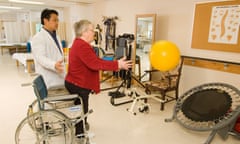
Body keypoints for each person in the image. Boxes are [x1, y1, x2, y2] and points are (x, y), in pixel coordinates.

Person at [65, 20, 132, 139]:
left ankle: (80, 126)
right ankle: (79, 134)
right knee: (81, 108)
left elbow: (96, 61)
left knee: (81, 107)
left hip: (76, 82)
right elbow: (95, 64)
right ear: (84, 32)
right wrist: (117, 65)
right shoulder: (82, 46)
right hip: (78, 84)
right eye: (92, 30)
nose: (94, 33)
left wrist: (115, 64)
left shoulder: (80, 44)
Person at [31, 8, 66, 92]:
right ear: (45, 20)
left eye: (58, 20)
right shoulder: (38, 38)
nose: (57, 23)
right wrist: (54, 64)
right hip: (49, 79)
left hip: (59, 75)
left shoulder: (56, 36)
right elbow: (40, 57)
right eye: (54, 20)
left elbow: (58, 54)